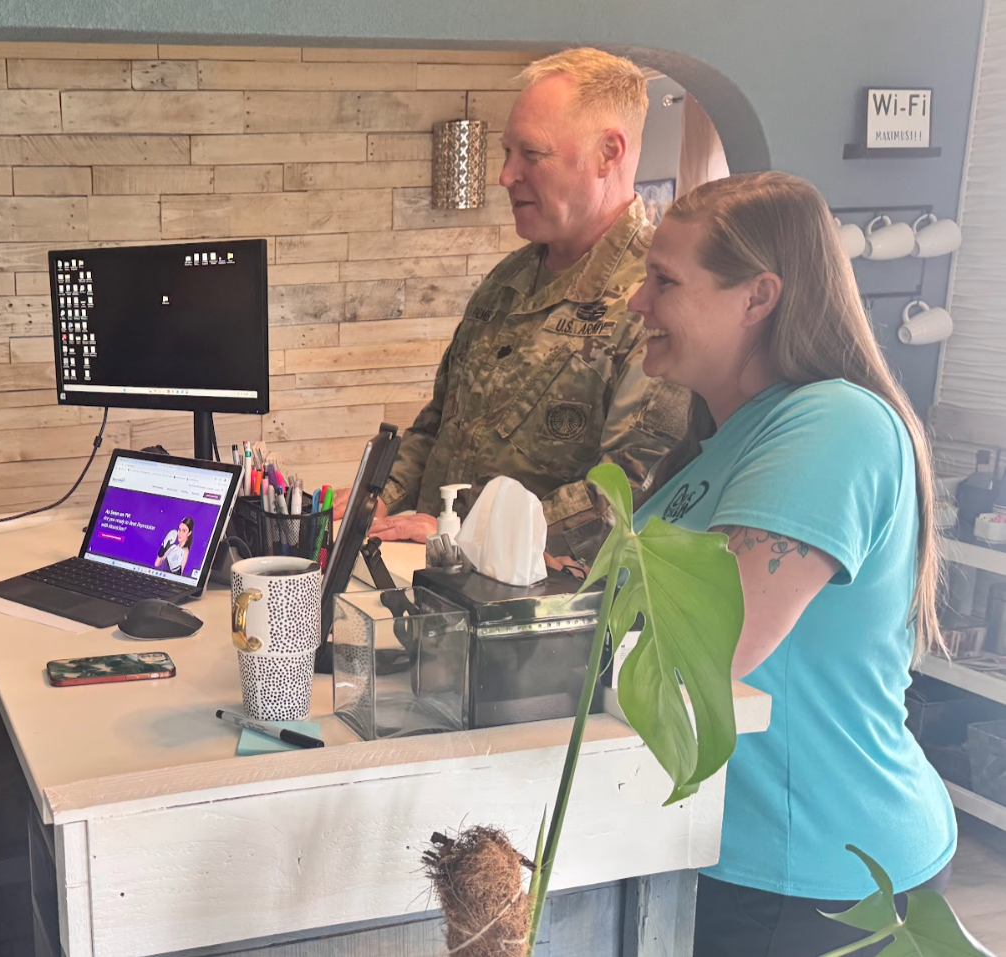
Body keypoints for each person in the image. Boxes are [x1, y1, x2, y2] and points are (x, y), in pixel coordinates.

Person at [628, 172, 955, 956]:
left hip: (815, 868)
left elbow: (707, 652)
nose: (638, 301)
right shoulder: (723, 439)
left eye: (663, 281)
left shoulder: (829, 423)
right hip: (726, 846)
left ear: (757, 297)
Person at [350, 48, 688, 565]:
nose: (506, 176)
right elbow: (437, 423)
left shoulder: (656, 300)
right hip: (430, 588)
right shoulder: (506, 281)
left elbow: (626, 492)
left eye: (532, 154)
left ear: (608, 153)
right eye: (507, 152)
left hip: (538, 616)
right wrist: (373, 506)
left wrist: (465, 537)